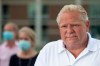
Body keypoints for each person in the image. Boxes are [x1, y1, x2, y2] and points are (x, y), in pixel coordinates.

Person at [34, 4, 100, 66]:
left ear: (87, 25)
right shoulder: (48, 50)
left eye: (75, 25)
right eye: (64, 26)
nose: (69, 31)